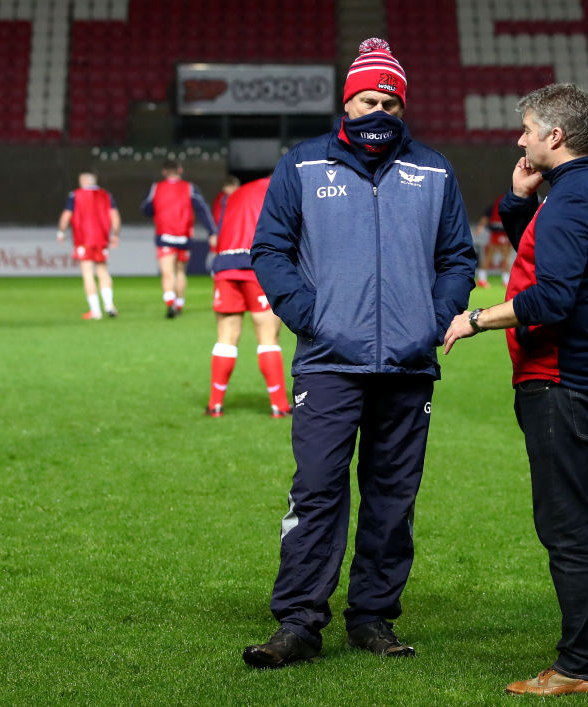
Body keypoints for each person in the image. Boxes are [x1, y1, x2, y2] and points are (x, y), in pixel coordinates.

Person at [243, 38, 476, 669]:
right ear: (347, 101)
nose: (381, 110)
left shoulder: (434, 170)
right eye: (370, 98)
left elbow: (458, 258)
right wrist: (311, 318)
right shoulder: (301, 165)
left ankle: (373, 616)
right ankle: (298, 621)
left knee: (392, 498)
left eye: (392, 102)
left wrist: (431, 321)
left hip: (408, 365)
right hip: (327, 362)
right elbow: (269, 251)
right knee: (316, 491)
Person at [443, 83, 588, 697]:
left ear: (555, 136)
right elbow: (551, 251)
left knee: (565, 527)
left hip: (563, 380)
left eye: (528, 129)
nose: (520, 139)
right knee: (572, 520)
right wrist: (520, 200)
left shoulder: (575, 196)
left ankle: (580, 665)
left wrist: (474, 319)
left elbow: (551, 296)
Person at [205, 177, 292, 418]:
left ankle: (215, 405)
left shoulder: (235, 195)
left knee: (226, 337)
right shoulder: (282, 187)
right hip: (257, 264)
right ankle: (279, 406)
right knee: (268, 336)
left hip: (225, 264)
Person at [141, 159, 217, 317]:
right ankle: (179, 303)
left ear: (164, 172)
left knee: (167, 272)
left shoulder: (156, 188)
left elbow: (146, 209)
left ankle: (170, 301)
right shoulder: (190, 188)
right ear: (180, 170)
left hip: (165, 235)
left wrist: (159, 208)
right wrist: (212, 232)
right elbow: (203, 210)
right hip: (184, 236)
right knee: (180, 271)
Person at [56, 170, 121, 320]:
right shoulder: (106, 195)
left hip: (83, 239)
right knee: (103, 271)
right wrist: (115, 235)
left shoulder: (75, 195)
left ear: (83, 181)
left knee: (87, 274)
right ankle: (109, 305)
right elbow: (115, 216)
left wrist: (61, 232)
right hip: (101, 239)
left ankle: (95, 311)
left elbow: (67, 215)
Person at [475, 194, 512, 288]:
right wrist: (480, 227)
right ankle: (483, 280)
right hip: (498, 233)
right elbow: (486, 215)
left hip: (505, 232)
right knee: (497, 255)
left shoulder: (502, 204)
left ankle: (505, 281)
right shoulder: (503, 204)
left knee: (504, 256)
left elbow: (486, 216)